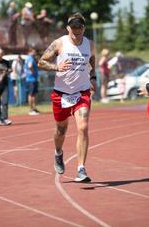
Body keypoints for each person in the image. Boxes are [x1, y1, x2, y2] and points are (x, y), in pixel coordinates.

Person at [38, 12, 97, 182]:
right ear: (68, 28)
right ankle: (58, 153)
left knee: (83, 127)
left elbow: (92, 61)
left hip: (82, 93)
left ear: (84, 28)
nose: (77, 30)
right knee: (61, 130)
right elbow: (41, 62)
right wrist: (57, 67)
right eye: (74, 27)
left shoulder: (90, 44)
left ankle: (81, 169)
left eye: (80, 27)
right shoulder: (59, 43)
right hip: (61, 94)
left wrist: (93, 79)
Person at [24, 47, 40, 115]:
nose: (35, 53)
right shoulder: (30, 58)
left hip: (31, 79)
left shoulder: (27, 58)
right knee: (32, 94)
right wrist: (32, 72)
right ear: (30, 51)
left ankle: (34, 108)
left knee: (33, 94)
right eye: (34, 51)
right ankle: (31, 109)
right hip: (31, 79)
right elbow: (30, 66)